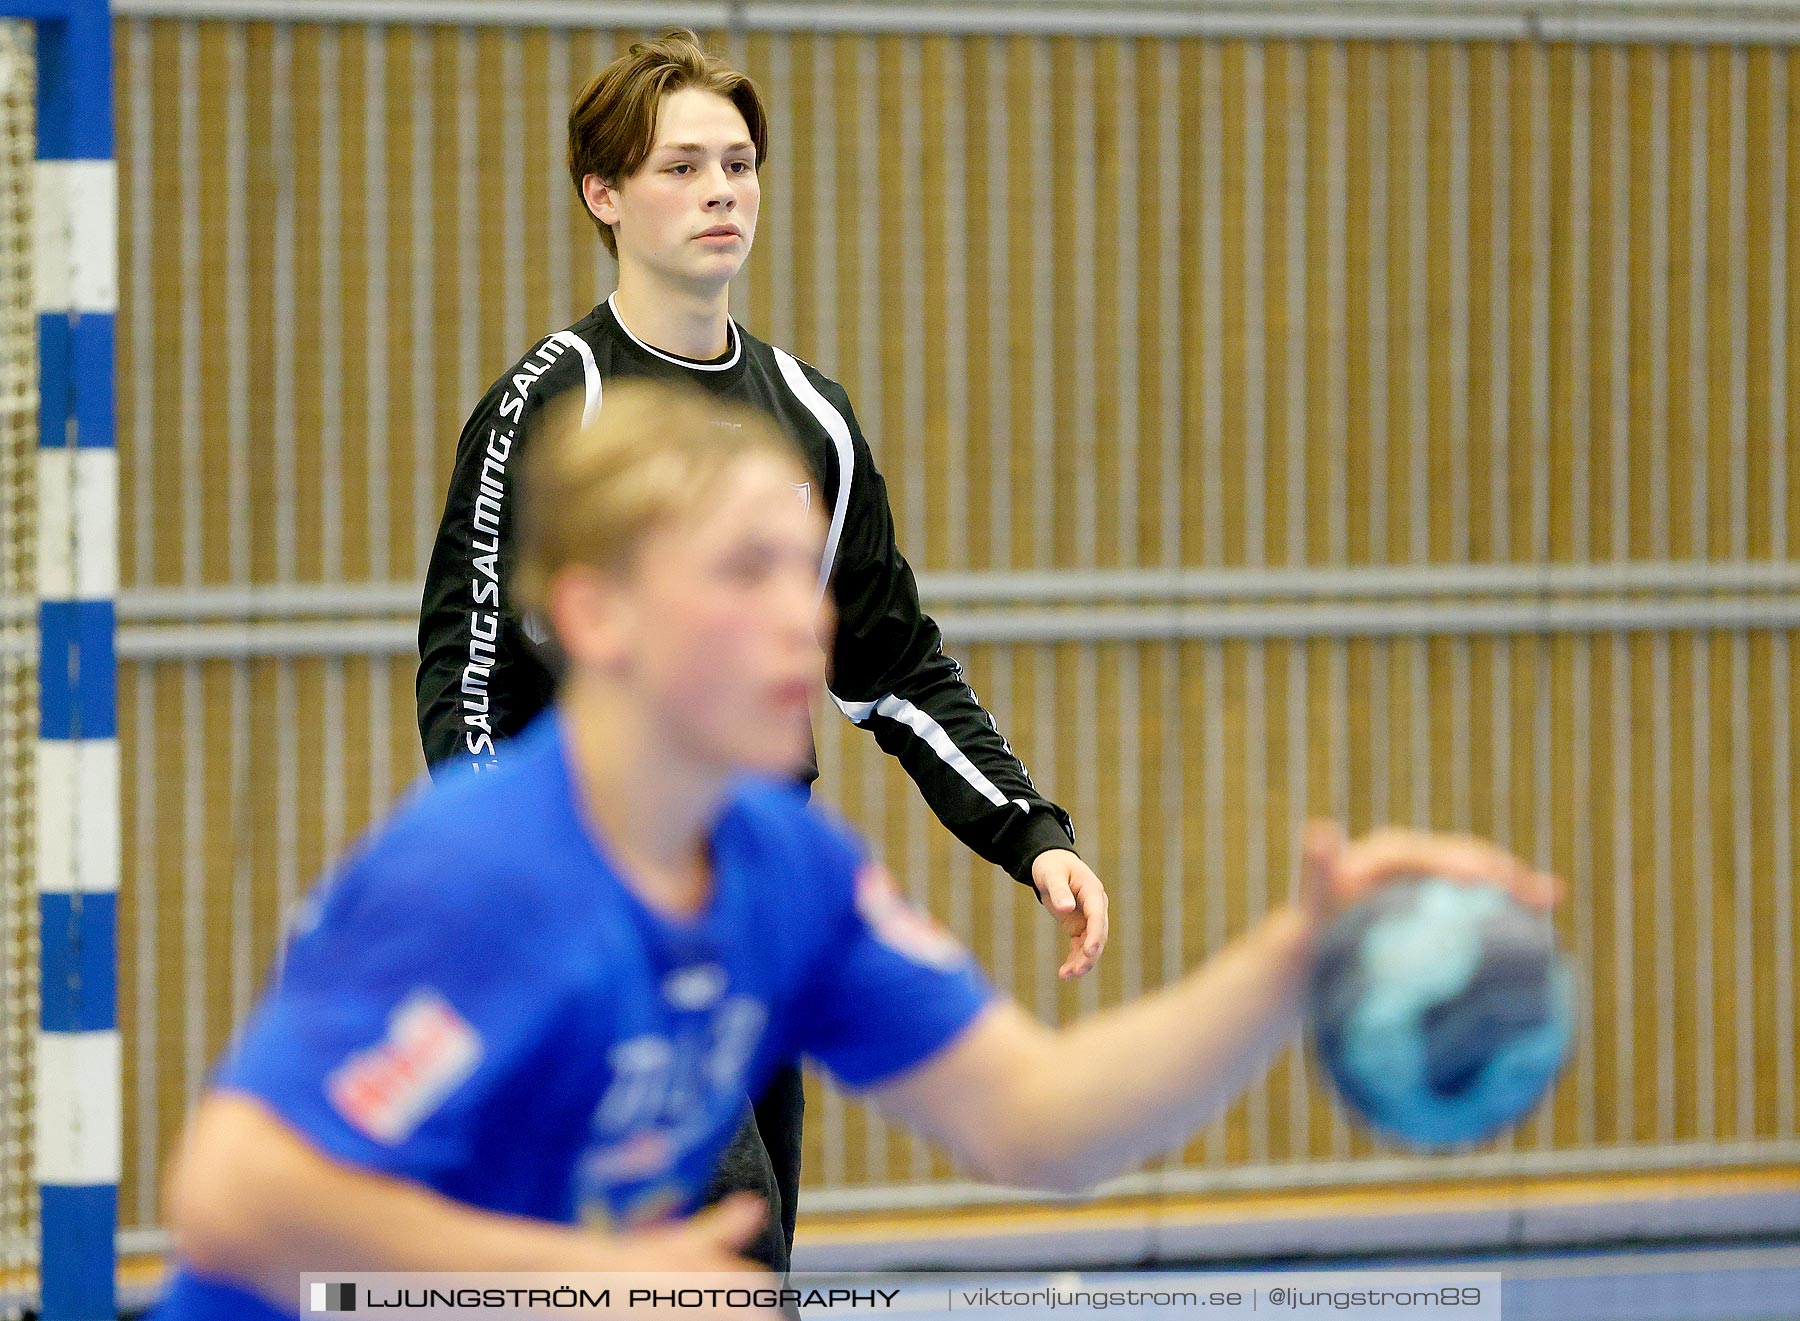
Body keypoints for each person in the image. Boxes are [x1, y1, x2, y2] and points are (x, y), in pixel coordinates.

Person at [159, 383, 1556, 1320]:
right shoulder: (480, 877)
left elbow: (1041, 1119)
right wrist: (591, 1282)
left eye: (804, 575)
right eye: (742, 572)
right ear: (597, 616)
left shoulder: (785, 871)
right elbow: (230, 1197)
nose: (802, 624)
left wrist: (1290, 957)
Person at [415, 28, 1109, 1271]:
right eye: (681, 167)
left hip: (752, 896)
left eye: (738, 163)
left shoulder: (812, 417)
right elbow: (469, 669)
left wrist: (1030, 832)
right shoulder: (548, 404)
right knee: (712, 1255)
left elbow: (890, 664)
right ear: (604, 194)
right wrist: (510, 887)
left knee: (753, 1253)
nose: (722, 189)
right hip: (599, 902)